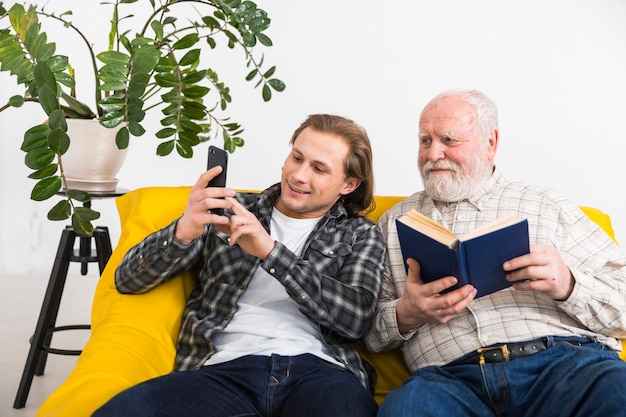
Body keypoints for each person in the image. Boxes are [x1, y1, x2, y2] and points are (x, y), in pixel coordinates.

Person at [93, 114, 385, 417]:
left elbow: (358, 316)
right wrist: (183, 231)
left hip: (320, 374)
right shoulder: (230, 209)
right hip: (223, 369)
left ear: (349, 184)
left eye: (319, 168)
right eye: (296, 158)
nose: (299, 175)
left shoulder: (359, 233)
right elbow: (127, 279)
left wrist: (271, 253)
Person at [363, 89, 626, 417]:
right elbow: (366, 331)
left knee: (618, 391)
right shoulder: (392, 225)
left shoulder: (546, 205)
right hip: (450, 382)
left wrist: (568, 284)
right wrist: (408, 312)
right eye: (425, 141)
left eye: (448, 139)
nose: (433, 154)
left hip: (564, 367)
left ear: (491, 142)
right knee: (405, 410)